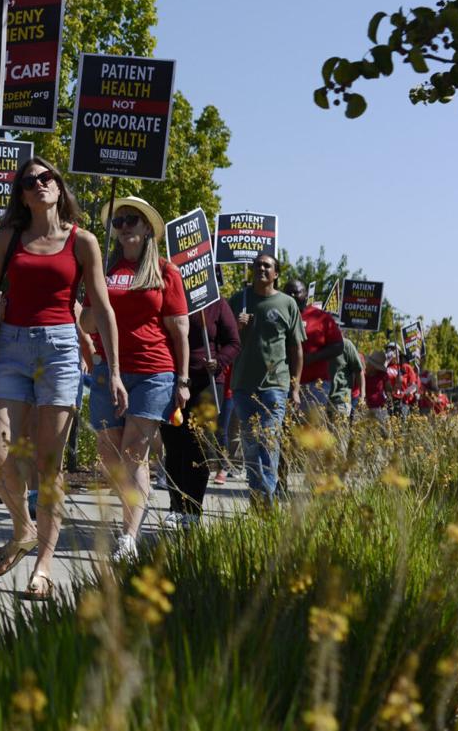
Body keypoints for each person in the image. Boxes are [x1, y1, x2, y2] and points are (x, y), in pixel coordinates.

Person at [0, 156, 121, 600]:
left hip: (59, 349)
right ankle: (23, 529)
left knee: (47, 466)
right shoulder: (11, 237)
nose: (40, 184)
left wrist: (114, 370)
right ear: (22, 194)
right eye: (30, 180)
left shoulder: (82, 241)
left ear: (59, 186)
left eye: (47, 177)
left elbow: (103, 309)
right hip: (12, 347)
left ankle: (43, 566)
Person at [81, 195, 185, 562]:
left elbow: (179, 329)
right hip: (108, 371)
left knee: (133, 453)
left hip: (154, 371)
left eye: (132, 221)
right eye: (119, 222)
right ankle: (135, 504)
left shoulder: (165, 272)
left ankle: (129, 534)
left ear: (146, 228)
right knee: (109, 455)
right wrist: (91, 301)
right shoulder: (102, 270)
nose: (124, 227)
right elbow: (87, 324)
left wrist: (183, 379)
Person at [229, 253, 303, 507]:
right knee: (250, 444)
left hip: (275, 385)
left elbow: (296, 349)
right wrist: (237, 328)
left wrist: (295, 387)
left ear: (276, 274)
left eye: (267, 266)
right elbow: (224, 341)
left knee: (268, 443)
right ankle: (257, 496)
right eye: (257, 265)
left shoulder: (287, 304)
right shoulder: (239, 300)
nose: (261, 268)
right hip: (242, 385)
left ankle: (266, 500)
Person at [174, 288, 240, 525]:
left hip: (207, 384)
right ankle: (176, 506)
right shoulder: (173, 298)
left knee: (198, 446)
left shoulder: (217, 304)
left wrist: (219, 361)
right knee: (175, 445)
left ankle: (193, 510)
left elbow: (234, 342)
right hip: (173, 380)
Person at [283, 280, 343, 433]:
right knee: (287, 430)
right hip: (282, 383)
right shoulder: (278, 315)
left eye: (297, 292)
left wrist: (312, 358)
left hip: (314, 385)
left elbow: (338, 346)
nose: (292, 296)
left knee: (311, 430)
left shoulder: (321, 318)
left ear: (306, 294)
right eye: (288, 292)